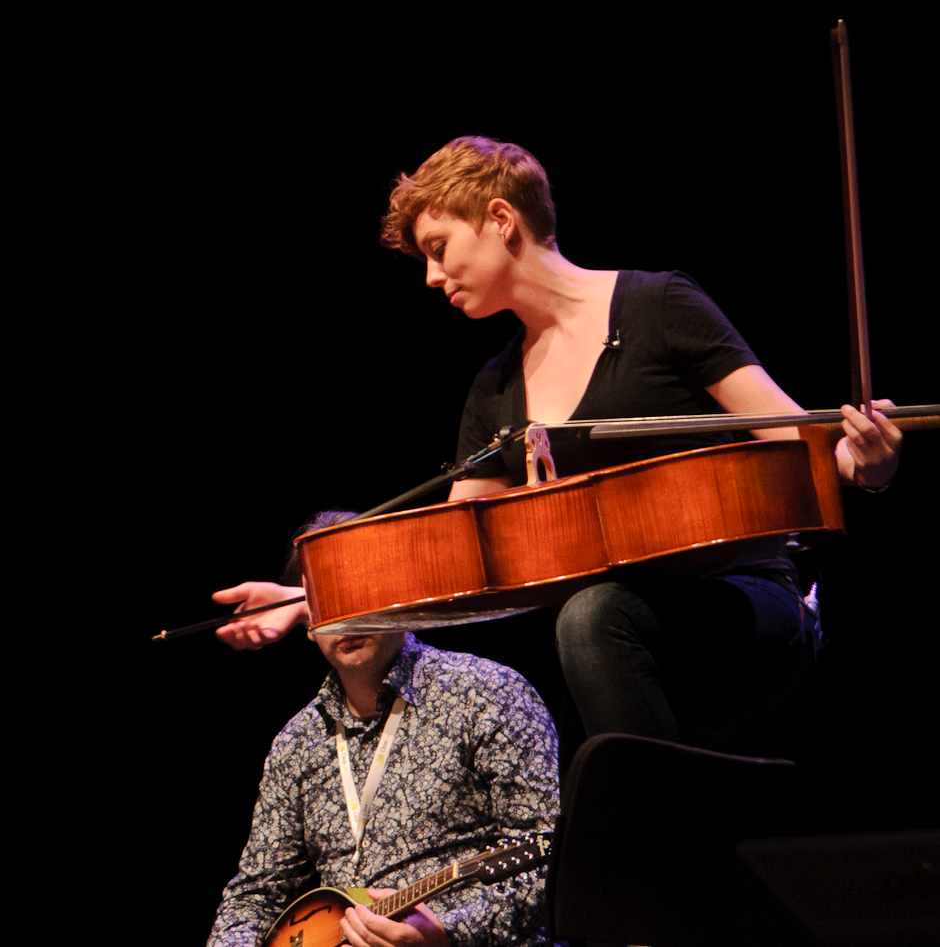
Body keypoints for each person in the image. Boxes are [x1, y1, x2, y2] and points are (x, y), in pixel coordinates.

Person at [213, 136, 903, 750]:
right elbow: (445, 555)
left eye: (438, 248)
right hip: (621, 638)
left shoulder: (657, 306)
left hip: (746, 604)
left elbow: (799, 439)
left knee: (592, 620)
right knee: (586, 720)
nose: (430, 276)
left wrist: (861, 461)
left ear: (501, 221)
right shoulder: (495, 390)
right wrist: (311, 599)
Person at [208, 513, 559, 947]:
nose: (344, 615)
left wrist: (445, 934)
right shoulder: (297, 743)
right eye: (325, 598)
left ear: (398, 594)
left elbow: (549, 860)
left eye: (358, 588)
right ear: (306, 624)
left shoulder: (487, 694)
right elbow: (255, 896)